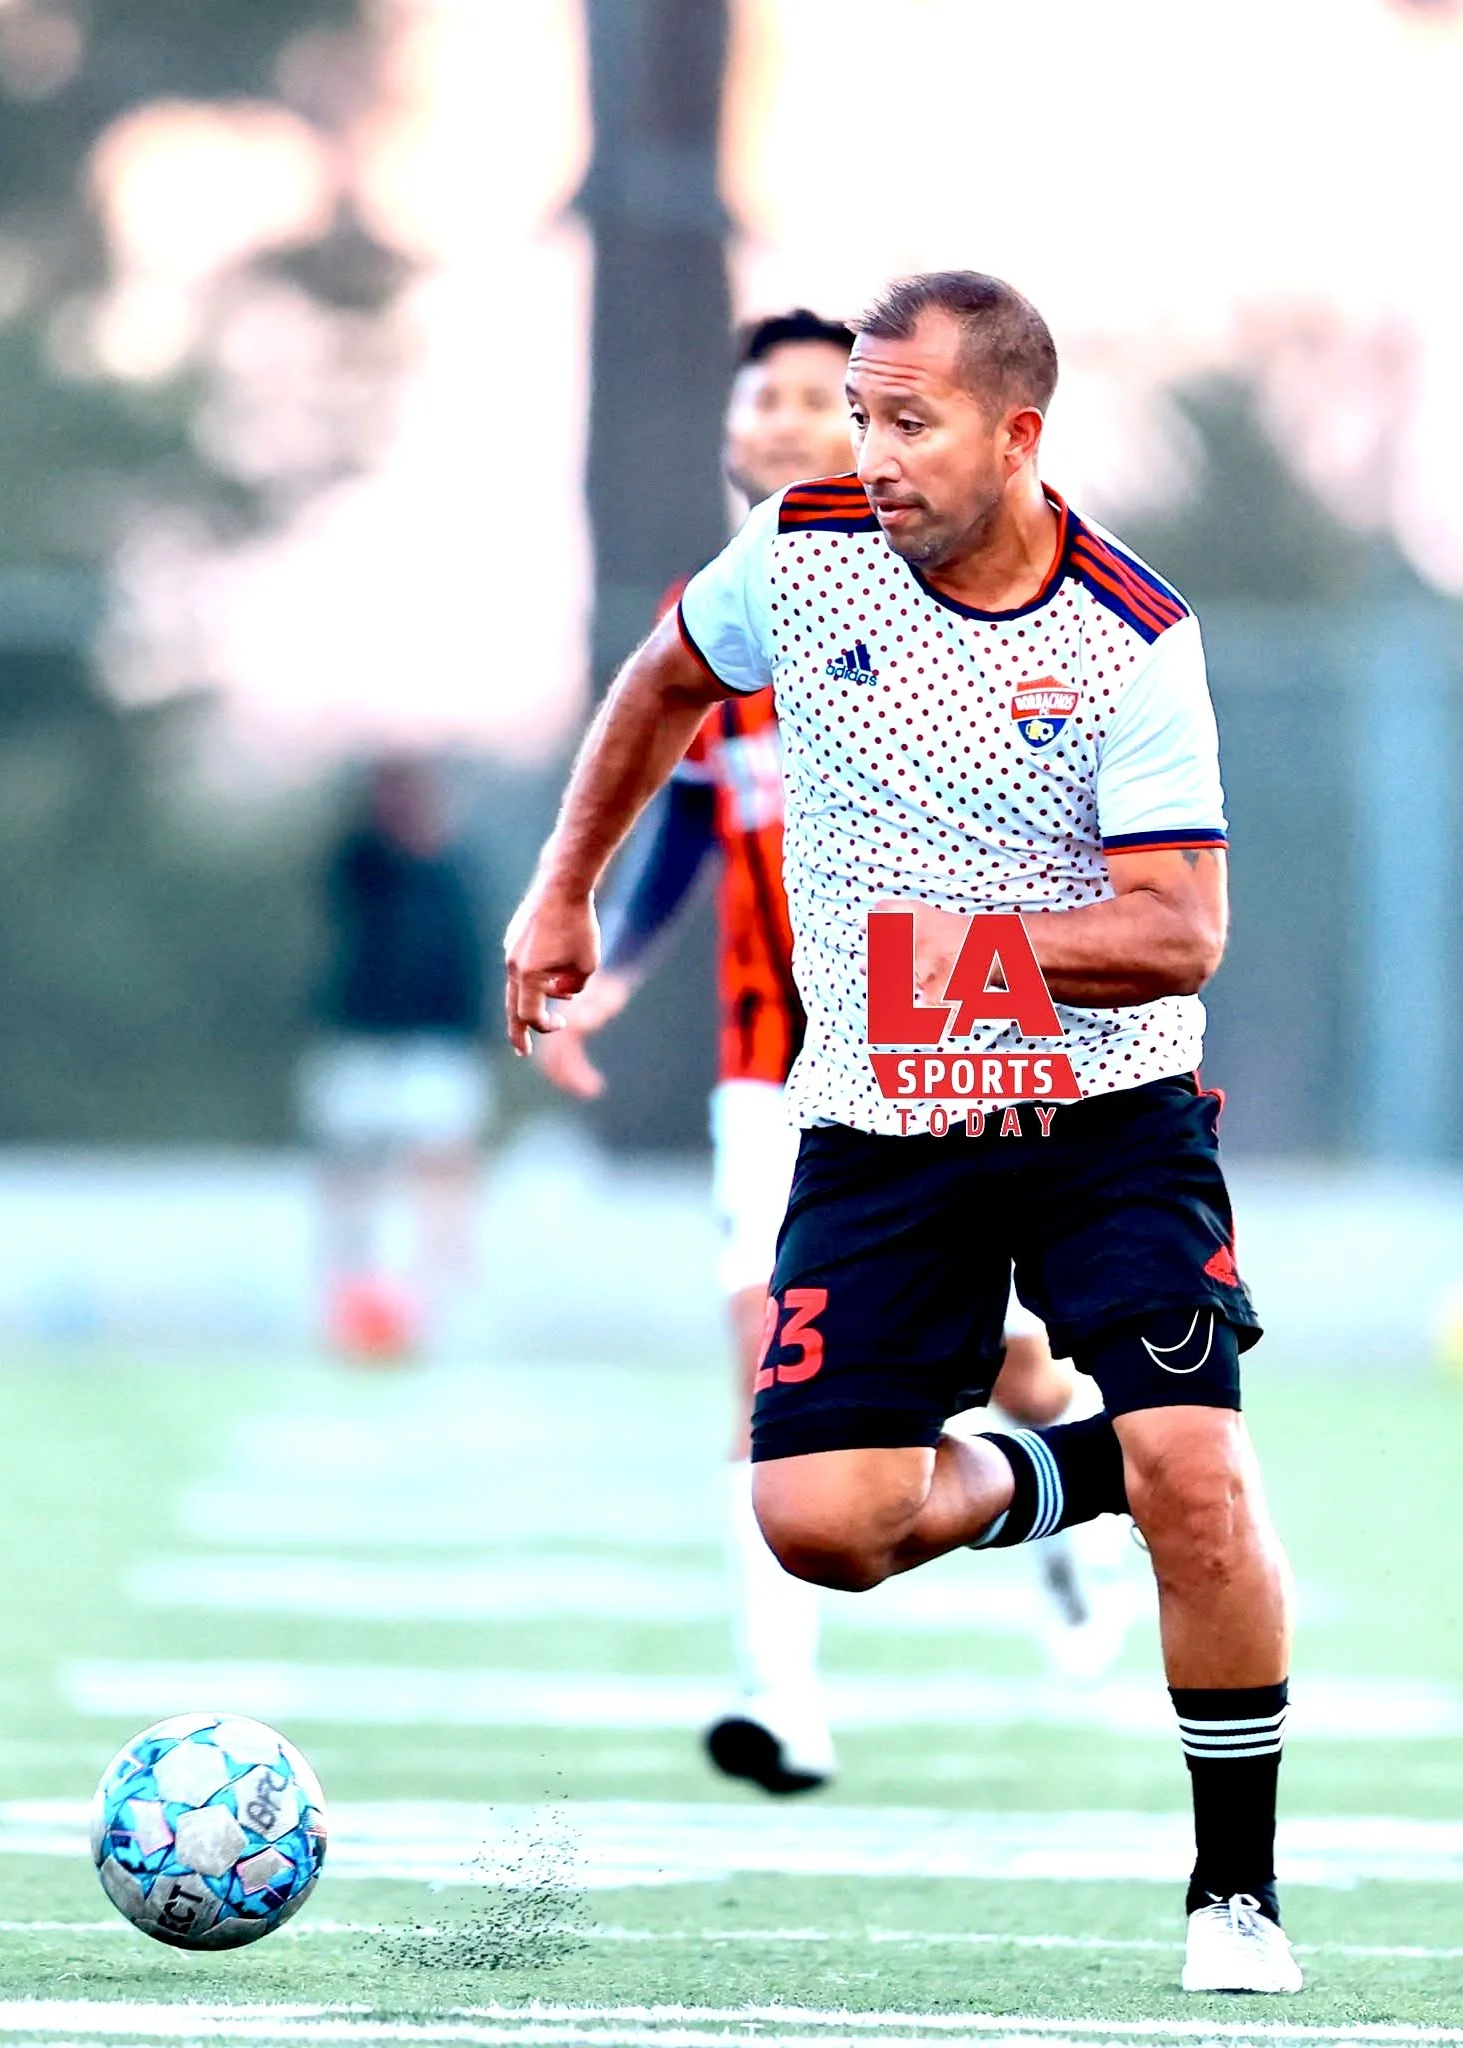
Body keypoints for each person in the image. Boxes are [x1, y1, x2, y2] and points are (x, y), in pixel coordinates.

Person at [507, 271, 1299, 1995]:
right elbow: (659, 680)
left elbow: (1179, 930)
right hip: (876, 1122)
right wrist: (563, 892)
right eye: (858, 415)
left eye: (905, 420)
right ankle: (1094, 1465)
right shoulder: (802, 553)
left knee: (1202, 1483)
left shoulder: (1129, 635)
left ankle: (1231, 1891)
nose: (865, 451)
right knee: (819, 1522)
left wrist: (963, 959)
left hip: (1106, 1115)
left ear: (1019, 435)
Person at [537, 308, 1123, 1799]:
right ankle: (779, 1701)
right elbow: (687, 806)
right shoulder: (722, 618)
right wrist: (612, 952)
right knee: (771, 1368)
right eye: (775, 397)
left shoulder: (950, 593)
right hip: (769, 1068)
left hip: (939, 1060)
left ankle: (1066, 1490)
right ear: (738, 434)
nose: (802, 419)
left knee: (999, 1361)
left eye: (832, 399)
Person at [300, 756, 491, 1361]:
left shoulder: (454, 870)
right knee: (349, 1174)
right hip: (362, 1040)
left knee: (442, 1175)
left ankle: (434, 1309)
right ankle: (345, 1301)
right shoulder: (361, 863)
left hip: (438, 1045)